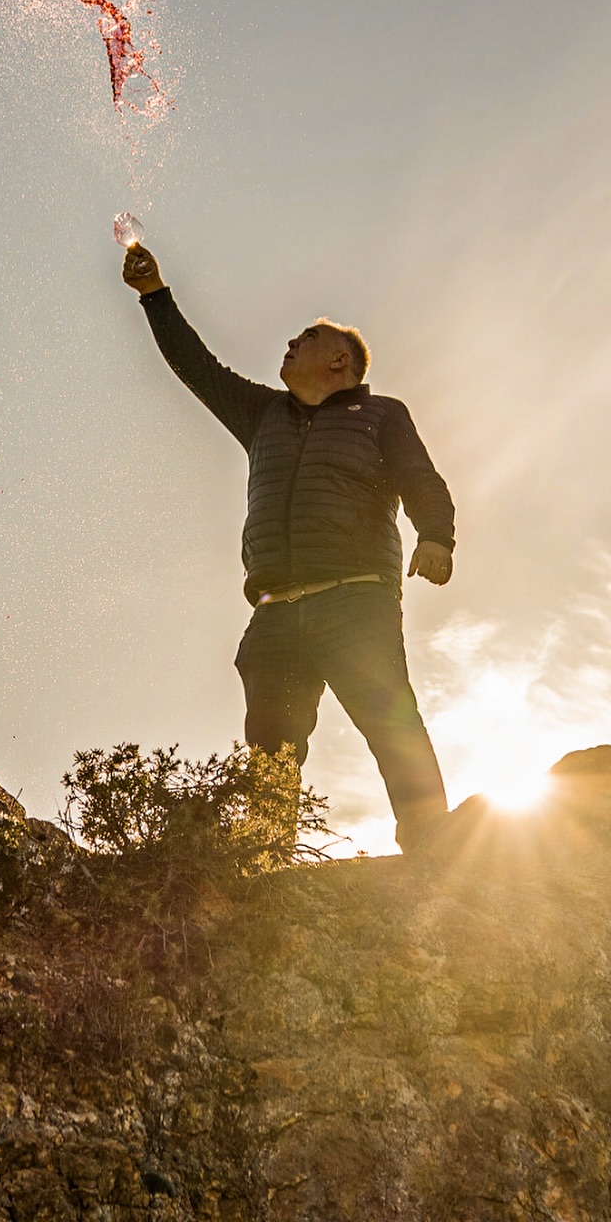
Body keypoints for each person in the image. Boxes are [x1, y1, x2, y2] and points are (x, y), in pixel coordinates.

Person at [122, 240, 455, 856]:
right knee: (271, 740)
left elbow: (421, 481)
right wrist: (155, 297)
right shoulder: (261, 414)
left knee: (389, 720)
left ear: (340, 362)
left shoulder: (381, 415)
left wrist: (436, 535)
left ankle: (432, 838)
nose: (291, 343)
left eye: (307, 336)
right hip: (276, 609)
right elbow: (195, 366)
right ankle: (268, 852)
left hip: (356, 598)